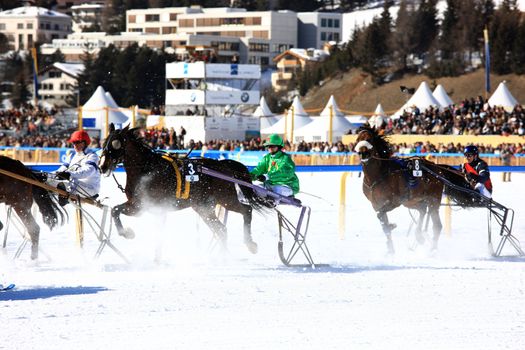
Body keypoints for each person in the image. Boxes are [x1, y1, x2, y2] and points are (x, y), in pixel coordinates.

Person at [54, 130, 101, 205]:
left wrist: (69, 174)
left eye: (77, 142)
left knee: (68, 183)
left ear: (85, 143)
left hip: (90, 189)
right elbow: (61, 169)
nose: (75, 145)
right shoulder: (72, 155)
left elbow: (87, 172)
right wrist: (50, 175)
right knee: (49, 182)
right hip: (75, 185)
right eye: (73, 143)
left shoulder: (92, 156)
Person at [250, 134, 299, 199]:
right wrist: (250, 176)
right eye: (268, 146)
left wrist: (267, 176)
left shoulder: (285, 158)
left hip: (287, 185)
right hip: (270, 185)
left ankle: (272, 202)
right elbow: (258, 169)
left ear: (279, 147)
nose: (270, 148)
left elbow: (283, 173)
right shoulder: (267, 158)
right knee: (256, 188)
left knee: (276, 189)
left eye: (272, 146)